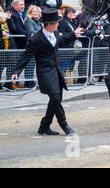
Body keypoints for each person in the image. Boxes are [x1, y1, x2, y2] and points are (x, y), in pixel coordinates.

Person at [11, 8, 84, 136]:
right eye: (56, 22)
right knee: (55, 98)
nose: (58, 24)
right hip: (45, 73)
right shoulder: (35, 39)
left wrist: (74, 34)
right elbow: (26, 56)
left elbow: (62, 40)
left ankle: (44, 127)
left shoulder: (55, 34)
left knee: (55, 100)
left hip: (57, 71)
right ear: (49, 24)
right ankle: (64, 125)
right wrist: (16, 71)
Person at [58, 7, 87, 84]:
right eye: (70, 13)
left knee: (71, 65)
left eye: (73, 13)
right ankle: (61, 81)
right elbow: (62, 34)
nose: (72, 14)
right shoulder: (63, 22)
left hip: (73, 47)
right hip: (66, 47)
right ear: (66, 14)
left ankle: (69, 81)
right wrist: (74, 34)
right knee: (64, 65)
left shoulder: (74, 21)